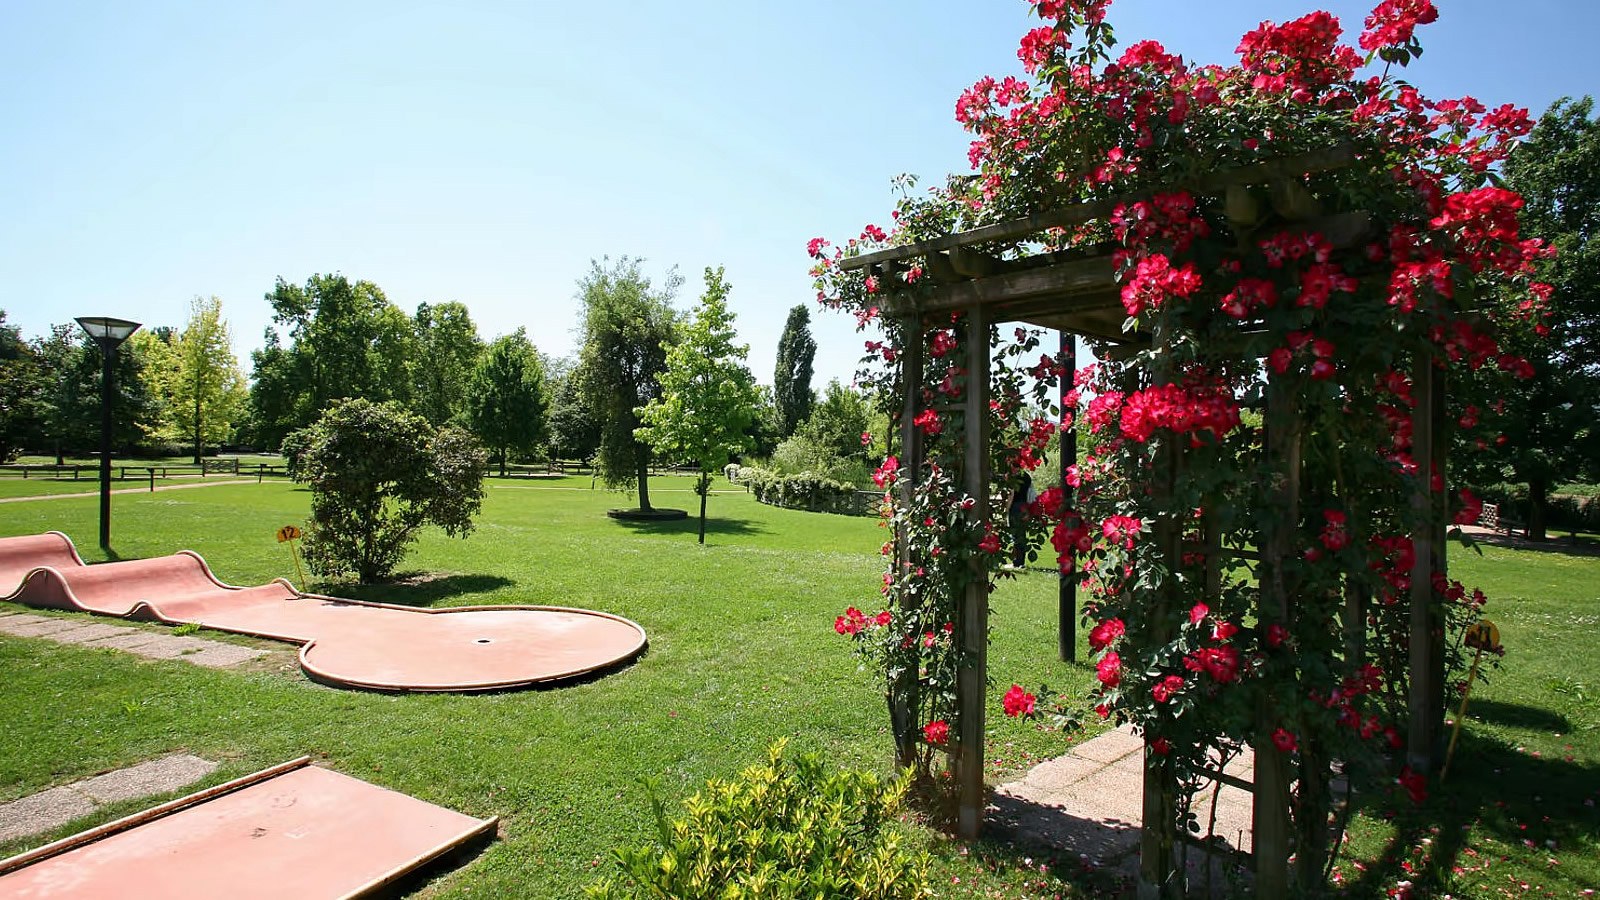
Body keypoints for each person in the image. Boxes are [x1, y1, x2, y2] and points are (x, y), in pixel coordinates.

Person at [1007, 471, 1035, 568]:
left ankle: (1017, 561)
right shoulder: (1027, 476)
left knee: (1015, 535)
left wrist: (1006, 509)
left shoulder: (1013, 476)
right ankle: (1021, 561)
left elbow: (1011, 494)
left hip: (1015, 507)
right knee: (1021, 534)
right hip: (1024, 506)